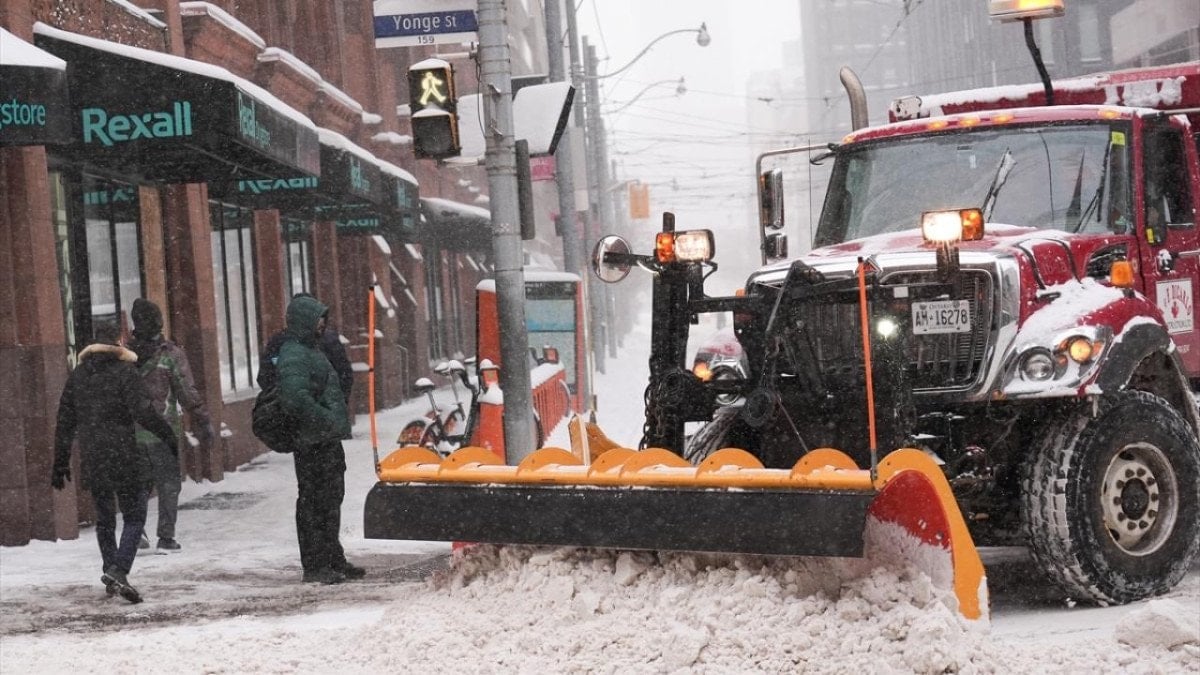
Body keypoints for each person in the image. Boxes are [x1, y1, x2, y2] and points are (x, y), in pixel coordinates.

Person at [52, 322, 178, 604]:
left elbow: (65, 420)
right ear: (118, 342)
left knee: (105, 519)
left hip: (94, 455)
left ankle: (111, 570)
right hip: (123, 454)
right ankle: (119, 570)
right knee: (135, 515)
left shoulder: (79, 375)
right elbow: (143, 413)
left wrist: (60, 460)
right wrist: (167, 436)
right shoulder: (125, 372)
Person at [274, 294, 363, 584]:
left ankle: (332, 557)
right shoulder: (294, 354)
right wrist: (325, 417)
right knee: (314, 502)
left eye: (323, 318)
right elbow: (294, 398)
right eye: (318, 319)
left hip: (325, 439)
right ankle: (315, 565)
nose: (322, 323)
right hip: (311, 442)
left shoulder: (311, 349)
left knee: (331, 499)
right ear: (305, 321)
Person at [127, 298, 214, 552]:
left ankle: (136, 532)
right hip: (163, 431)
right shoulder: (170, 355)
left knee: (138, 484)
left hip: (133, 432)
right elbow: (186, 390)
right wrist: (202, 418)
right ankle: (165, 536)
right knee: (168, 484)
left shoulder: (125, 356)